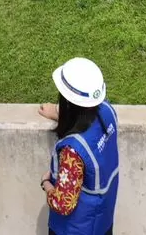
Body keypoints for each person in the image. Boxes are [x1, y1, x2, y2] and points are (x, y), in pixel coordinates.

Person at [39, 57, 119, 235]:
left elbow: (63, 203)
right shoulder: (108, 113)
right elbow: (90, 124)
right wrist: (59, 114)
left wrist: (46, 183)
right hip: (102, 221)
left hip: (76, 229)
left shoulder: (73, 152)